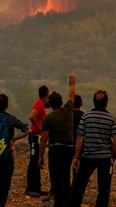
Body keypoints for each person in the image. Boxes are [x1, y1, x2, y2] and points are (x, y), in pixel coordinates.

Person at [69, 90, 116, 207]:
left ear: (93, 103)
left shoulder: (86, 117)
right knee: (104, 188)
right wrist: (114, 154)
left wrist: (77, 157)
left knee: (79, 185)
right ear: (106, 103)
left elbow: (79, 138)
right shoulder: (111, 119)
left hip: (87, 156)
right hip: (105, 158)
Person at [38, 74, 77, 207]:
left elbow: (44, 139)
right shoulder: (68, 111)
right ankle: (66, 199)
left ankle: (60, 201)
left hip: (55, 148)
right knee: (66, 174)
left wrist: (40, 157)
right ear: (61, 102)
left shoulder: (48, 119)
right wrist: (72, 83)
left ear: (50, 104)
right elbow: (72, 95)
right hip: (68, 148)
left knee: (55, 176)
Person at [25, 85, 50, 197]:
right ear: (46, 94)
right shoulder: (40, 103)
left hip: (37, 137)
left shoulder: (41, 104)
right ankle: (30, 188)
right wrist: (39, 129)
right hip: (35, 136)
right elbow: (31, 116)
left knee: (38, 161)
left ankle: (37, 187)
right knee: (33, 161)